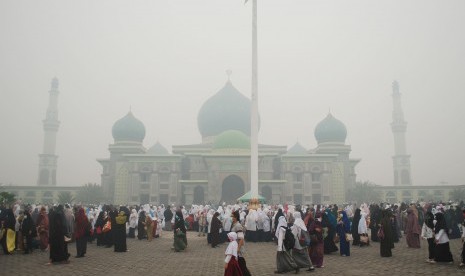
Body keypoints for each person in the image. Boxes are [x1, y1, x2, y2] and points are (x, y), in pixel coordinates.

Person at [230, 210, 251, 276]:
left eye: (233, 216)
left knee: (241, 265)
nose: (232, 218)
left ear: (236, 217)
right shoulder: (234, 224)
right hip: (234, 246)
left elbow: (241, 238)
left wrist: (238, 249)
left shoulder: (238, 226)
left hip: (237, 248)